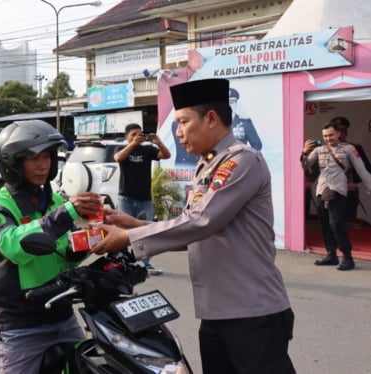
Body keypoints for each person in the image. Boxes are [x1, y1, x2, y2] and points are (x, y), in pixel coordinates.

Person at [92, 78, 295, 374]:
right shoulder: (208, 165)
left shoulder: (241, 161)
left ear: (211, 118)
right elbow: (195, 230)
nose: (178, 132)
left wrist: (127, 237)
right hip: (217, 311)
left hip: (253, 312)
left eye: (183, 122)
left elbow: (200, 222)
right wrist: (133, 223)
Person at [0, 120, 102, 374]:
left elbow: (62, 255)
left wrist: (94, 237)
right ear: (13, 163)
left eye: (47, 156)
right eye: (32, 157)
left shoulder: (53, 200)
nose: (43, 165)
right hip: (16, 325)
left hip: (60, 314)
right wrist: (68, 212)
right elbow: (14, 245)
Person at [300, 122, 371, 271]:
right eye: (325, 136)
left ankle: (347, 257)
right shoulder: (319, 150)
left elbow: (361, 169)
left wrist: (369, 186)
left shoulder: (348, 149)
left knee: (336, 224)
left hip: (338, 190)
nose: (328, 138)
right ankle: (331, 254)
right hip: (321, 190)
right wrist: (304, 152)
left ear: (338, 134)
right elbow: (305, 166)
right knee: (325, 225)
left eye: (331, 135)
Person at [114, 123, 171, 275]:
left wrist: (158, 142)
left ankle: (143, 264)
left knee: (147, 232)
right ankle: (123, 261)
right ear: (126, 136)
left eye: (140, 134)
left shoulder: (148, 150)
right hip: (126, 197)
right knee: (123, 231)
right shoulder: (121, 149)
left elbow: (166, 155)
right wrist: (132, 144)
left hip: (145, 198)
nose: (137, 137)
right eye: (133, 134)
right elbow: (118, 158)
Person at [332, 116, 371, 219]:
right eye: (337, 131)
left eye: (343, 131)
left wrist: (354, 177)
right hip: (332, 191)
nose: (340, 134)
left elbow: (367, 169)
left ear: (346, 133)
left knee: (350, 223)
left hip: (350, 190)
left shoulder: (355, 148)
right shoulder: (326, 149)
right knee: (333, 223)